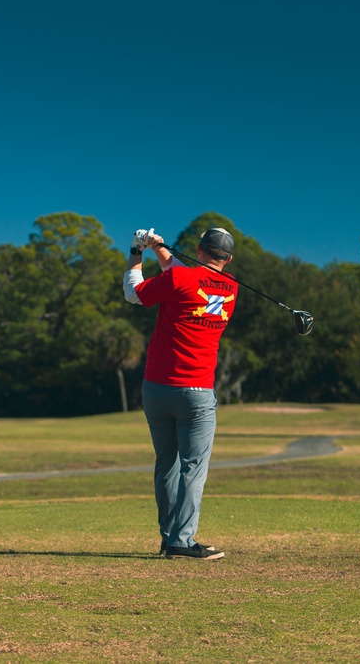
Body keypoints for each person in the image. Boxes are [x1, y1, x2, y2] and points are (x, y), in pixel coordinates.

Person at [123, 227, 238, 560]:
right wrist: (159, 249)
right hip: (197, 393)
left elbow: (134, 293)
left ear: (199, 249)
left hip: (157, 389)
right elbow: (183, 276)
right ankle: (181, 540)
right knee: (193, 469)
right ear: (227, 259)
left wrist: (137, 250)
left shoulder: (180, 279)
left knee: (167, 466)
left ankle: (169, 538)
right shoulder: (231, 288)